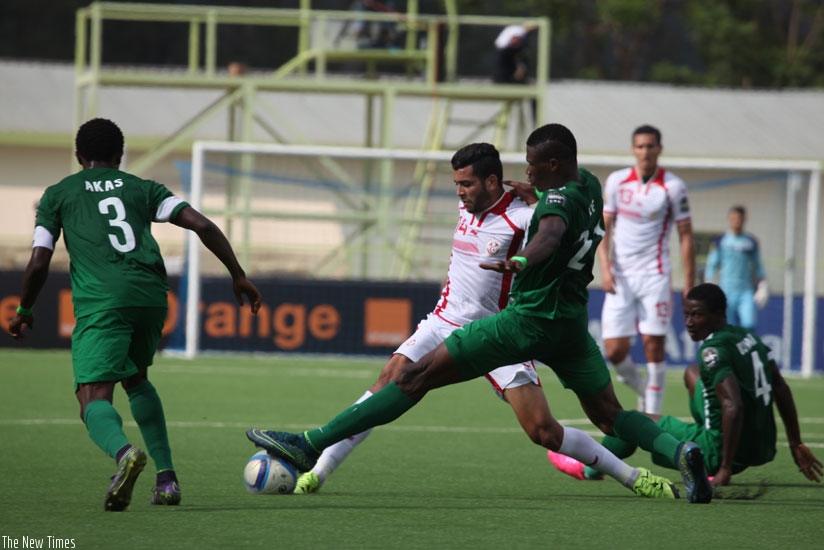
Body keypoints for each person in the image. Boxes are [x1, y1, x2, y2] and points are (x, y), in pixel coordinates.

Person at [248, 123, 713, 504]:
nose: (461, 193)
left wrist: (523, 258)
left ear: (500, 180)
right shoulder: (587, 183)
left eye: (468, 183)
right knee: (396, 376)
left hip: (511, 327)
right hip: (505, 320)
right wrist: (535, 190)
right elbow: (563, 205)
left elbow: (550, 232)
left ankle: (309, 446)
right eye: (458, 184)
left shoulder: (533, 213)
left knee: (541, 429)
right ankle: (318, 464)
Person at [6, 118, 262, 512]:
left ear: (79, 157)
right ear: (119, 156)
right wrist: (238, 275)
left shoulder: (58, 194)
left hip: (103, 300)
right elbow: (202, 224)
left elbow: (40, 261)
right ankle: (168, 479)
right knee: (137, 378)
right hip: (151, 298)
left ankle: (125, 453)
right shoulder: (143, 188)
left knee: (91, 395)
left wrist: (23, 309)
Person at [549, 283, 823, 488]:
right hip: (761, 446)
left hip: (717, 453)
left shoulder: (713, 351)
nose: (690, 323)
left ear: (718, 314)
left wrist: (724, 468)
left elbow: (732, 404)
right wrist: (795, 442)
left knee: (630, 420)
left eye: (697, 316)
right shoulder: (748, 337)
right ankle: (707, 434)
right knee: (692, 373)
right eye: (687, 315)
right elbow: (780, 387)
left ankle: (590, 470)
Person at [597, 124, 696, 414]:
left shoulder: (673, 187)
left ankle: (652, 414)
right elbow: (605, 228)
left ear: (659, 149)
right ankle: (641, 388)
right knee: (614, 350)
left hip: (656, 275)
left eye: (650, 146)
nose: (645, 151)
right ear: (633, 149)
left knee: (653, 344)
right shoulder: (616, 182)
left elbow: (686, 235)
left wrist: (689, 282)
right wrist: (604, 266)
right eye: (640, 146)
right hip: (620, 277)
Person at [703, 206, 768, 331]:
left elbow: (758, 265)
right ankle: (731, 350)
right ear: (729, 219)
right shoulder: (721, 240)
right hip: (726, 290)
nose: (736, 221)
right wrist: (709, 282)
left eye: (739, 218)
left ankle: (746, 350)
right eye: (733, 218)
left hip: (745, 291)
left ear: (744, 220)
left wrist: (763, 284)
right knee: (728, 327)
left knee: (748, 324)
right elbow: (712, 263)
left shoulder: (751, 241)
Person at [492, 23, 537, 124]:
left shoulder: (519, 55)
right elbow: (515, 48)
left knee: (534, 92)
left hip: (514, 81)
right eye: (515, 38)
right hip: (504, 82)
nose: (517, 40)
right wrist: (526, 31)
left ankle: (535, 121)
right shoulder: (506, 52)